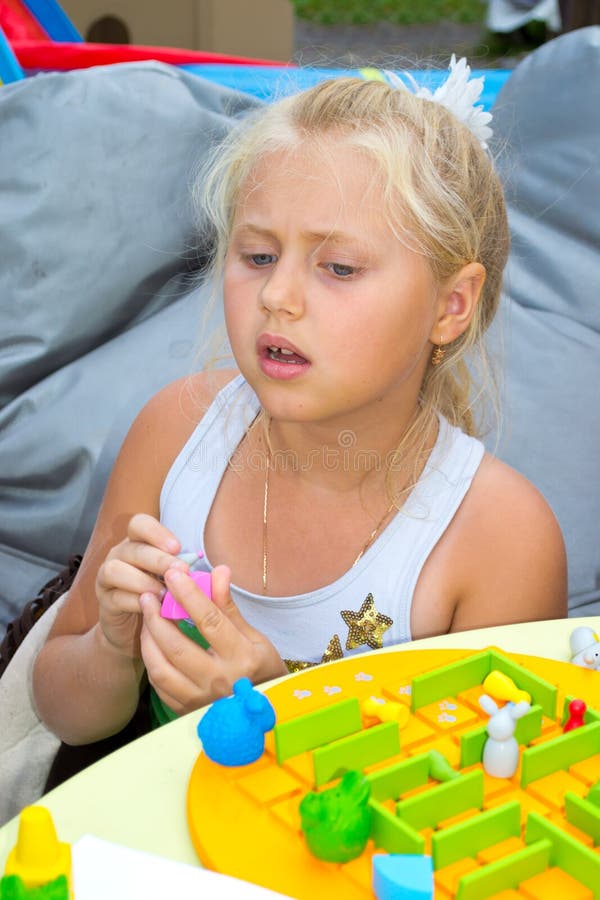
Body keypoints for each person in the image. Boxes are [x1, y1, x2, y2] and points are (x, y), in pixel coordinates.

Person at [32, 59, 567, 760]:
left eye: (338, 268)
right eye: (256, 255)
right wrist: (112, 644)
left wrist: (274, 703)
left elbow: (478, 814)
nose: (277, 296)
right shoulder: (177, 433)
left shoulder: (496, 541)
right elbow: (66, 713)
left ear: (450, 305)